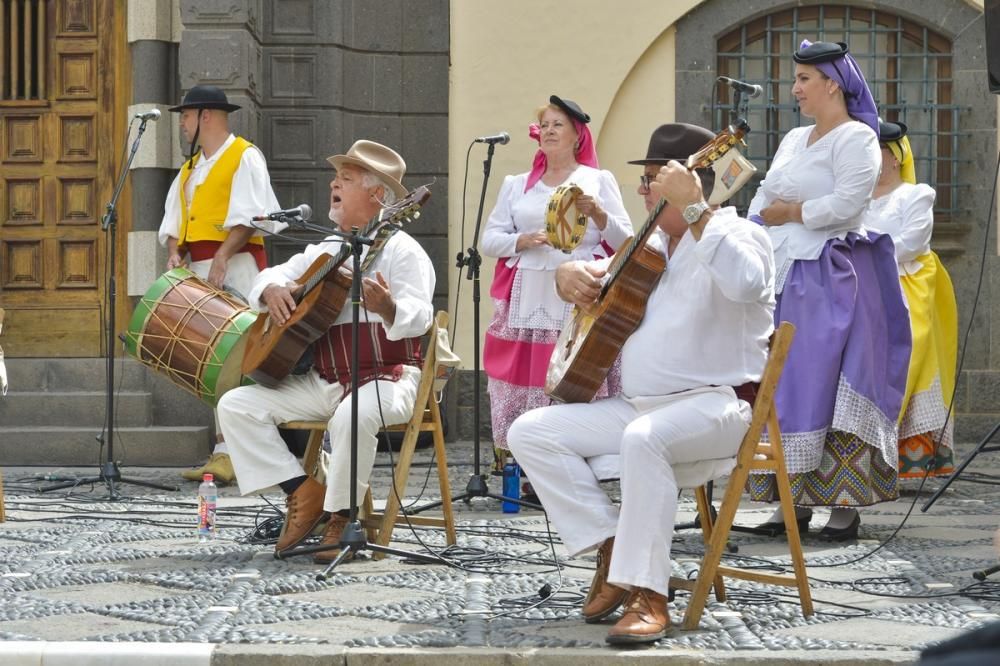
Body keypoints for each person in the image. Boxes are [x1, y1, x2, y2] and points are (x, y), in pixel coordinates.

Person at [507, 123, 775, 644]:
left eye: (653, 179)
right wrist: (566, 277)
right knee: (532, 430)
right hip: (642, 407)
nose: (643, 190)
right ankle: (611, 547)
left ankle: (649, 594)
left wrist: (697, 211)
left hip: (719, 409)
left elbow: (747, 284)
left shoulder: (742, 234)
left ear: (689, 183)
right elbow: (591, 272)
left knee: (643, 438)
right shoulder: (650, 247)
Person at [217, 140, 434, 562]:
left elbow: (422, 316)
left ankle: (342, 516)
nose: (333, 184)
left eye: (346, 179)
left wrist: (388, 307)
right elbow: (267, 278)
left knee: (355, 414)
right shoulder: (327, 249)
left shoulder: (403, 251)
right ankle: (302, 492)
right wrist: (273, 289)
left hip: (388, 377)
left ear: (376, 197)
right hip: (327, 380)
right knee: (236, 405)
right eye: (337, 177)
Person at [746, 40, 912, 540]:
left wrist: (791, 212)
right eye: (795, 79)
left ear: (832, 84)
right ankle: (786, 503)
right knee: (782, 382)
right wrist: (757, 227)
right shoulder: (795, 139)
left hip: (829, 274)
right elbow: (763, 193)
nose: (794, 89)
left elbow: (846, 204)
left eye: (803, 79)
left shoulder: (857, 138)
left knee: (828, 382)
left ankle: (844, 506)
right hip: (782, 268)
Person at [481, 94, 632, 480]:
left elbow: (627, 239)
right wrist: (522, 241)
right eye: (544, 124)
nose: (548, 130)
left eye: (557, 125)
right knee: (525, 372)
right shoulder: (517, 185)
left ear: (576, 135)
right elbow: (489, 240)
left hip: (578, 290)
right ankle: (524, 465)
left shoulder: (596, 181)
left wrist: (597, 213)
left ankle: (577, 460)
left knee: (567, 369)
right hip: (528, 290)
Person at [158, 84, 283, 486]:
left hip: (237, 265)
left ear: (205, 116)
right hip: (200, 269)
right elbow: (175, 223)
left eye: (186, 116)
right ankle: (223, 451)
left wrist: (225, 257)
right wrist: (176, 253)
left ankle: (237, 452)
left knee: (237, 357)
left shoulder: (244, 156)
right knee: (210, 361)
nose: (182, 123)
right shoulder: (190, 169)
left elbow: (253, 216)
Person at [861, 119, 958, 479]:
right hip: (862, 290)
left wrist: (868, 252)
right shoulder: (855, 199)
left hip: (906, 290)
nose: (874, 158)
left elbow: (913, 241)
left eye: (880, 151)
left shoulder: (916, 195)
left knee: (908, 363)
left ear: (896, 156)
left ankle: (912, 460)